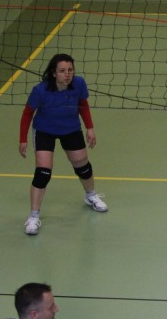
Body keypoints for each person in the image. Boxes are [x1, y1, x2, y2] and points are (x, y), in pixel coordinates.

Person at [19, 53, 108, 236]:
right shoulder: (40, 91)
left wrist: (90, 128)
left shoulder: (79, 84)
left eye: (70, 70)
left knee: (83, 166)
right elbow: (27, 113)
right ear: (54, 73)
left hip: (70, 128)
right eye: (62, 71)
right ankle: (34, 216)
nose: (67, 74)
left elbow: (83, 105)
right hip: (44, 130)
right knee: (43, 173)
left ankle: (90, 195)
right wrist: (23, 140)